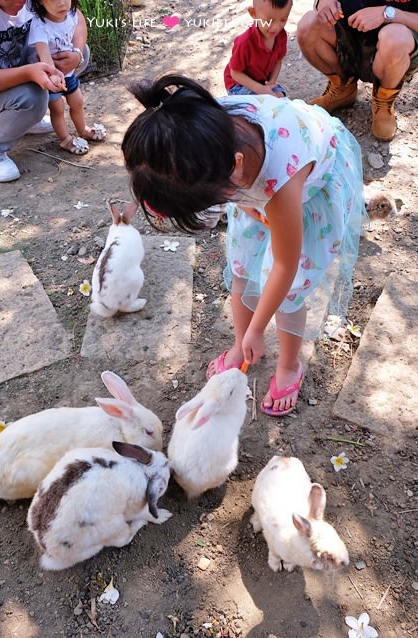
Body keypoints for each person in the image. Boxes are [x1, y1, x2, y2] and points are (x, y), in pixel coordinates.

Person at [122, 75, 365, 416]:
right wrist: (250, 204)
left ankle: (289, 366)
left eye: (211, 201)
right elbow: (233, 190)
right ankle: (241, 345)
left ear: (234, 171)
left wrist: (258, 328)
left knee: (290, 291)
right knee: (242, 268)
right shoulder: (197, 129)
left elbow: (285, 265)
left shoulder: (281, 179)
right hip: (253, 183)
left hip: (306, 193)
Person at [0, 0, 88, 182]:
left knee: (80, 53)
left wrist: (77, 53)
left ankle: (24, 120)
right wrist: (28, 73)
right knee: (32, 97)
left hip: (15, 76)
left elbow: (75, 15)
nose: (22, 2)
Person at [296, 0, 418, 141]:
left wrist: (388, 13)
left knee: (396, 37)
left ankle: (383, 101)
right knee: (309, 23)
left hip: (393, 49)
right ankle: (343, 89)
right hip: (348, 41)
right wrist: (323, 3)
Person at [28, 0, 106, 155]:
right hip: (50, 76)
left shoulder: (71, 15)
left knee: (77, 101)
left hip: (68, 73)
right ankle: (65, 139)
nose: (61, 3)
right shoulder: (39, 24)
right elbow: (44, 55)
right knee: (58, 108)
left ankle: (82, 129)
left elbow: (80, 27)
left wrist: (77, 53)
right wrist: (53, 75)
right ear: (40, 2)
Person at [224, 0, 292, 97]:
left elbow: (278, 61)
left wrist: (272, 82)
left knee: (280, 96)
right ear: (253, 13)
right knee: (259, 105)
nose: (276, 27)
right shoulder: (244, 42)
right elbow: (235, 73)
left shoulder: (281, 36)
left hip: (262, 81)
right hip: (239, 85)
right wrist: (260, 89)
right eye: (269, 21)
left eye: (283, 20)